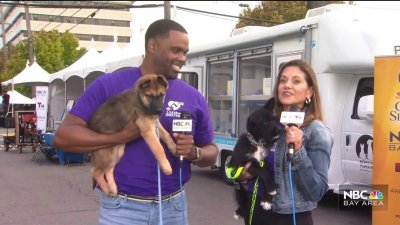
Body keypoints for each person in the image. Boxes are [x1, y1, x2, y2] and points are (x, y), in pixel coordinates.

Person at [54, 19, 218, 225]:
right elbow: (64, 136)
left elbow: (211, 151)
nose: (182, 58)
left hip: (173, 208)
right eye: (176, 50)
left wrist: (195, 152)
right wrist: (120, 136)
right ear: (152, 46)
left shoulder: (193, 96)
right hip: (122, 209)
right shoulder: (109, 84)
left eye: (185, 52)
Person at [240, 59, 333, 225]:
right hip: (256, 210)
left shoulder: (317, 131)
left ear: (309, 92)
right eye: (283, 80)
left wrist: (298, 150)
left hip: (289, 217)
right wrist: (243, 173)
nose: (287, 85)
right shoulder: (267, 124)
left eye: (296, 81)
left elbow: (317, 192)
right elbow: (244, 161)